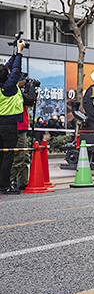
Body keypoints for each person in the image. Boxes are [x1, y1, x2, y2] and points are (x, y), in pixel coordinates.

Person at [0, 39, 26, 195]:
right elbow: (15, 69)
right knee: (8, 155)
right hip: (8, 124)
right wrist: (20, 52)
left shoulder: (3, 84)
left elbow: (9, 68)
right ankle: (4, 185)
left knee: (1, 154)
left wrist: (16, 51)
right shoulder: (9, 88)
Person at [10, 75, 37, 190]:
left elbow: (30, 102)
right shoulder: (13, 91)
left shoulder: (18, 91)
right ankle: (8, 182)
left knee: (25, 157)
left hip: (22, 127)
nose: (25, 81)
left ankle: (22, 183)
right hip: (18, 128)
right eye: (23, 79)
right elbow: (29, 99)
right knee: (19, 157)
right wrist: (31, 89)